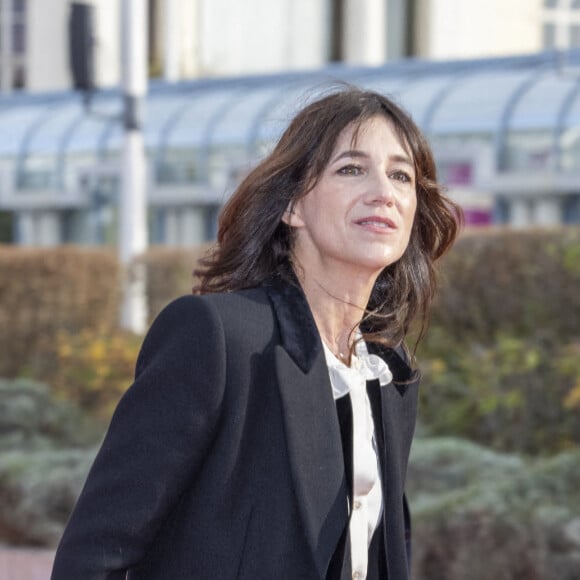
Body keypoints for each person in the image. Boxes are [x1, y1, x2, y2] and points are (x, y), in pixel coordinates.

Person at [51, 86, 461, 580]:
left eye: (402, 175)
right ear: (292, 206)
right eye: (351, 169)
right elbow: (95, 555)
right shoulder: (218, 339)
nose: (384, 191)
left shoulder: (387, 372)